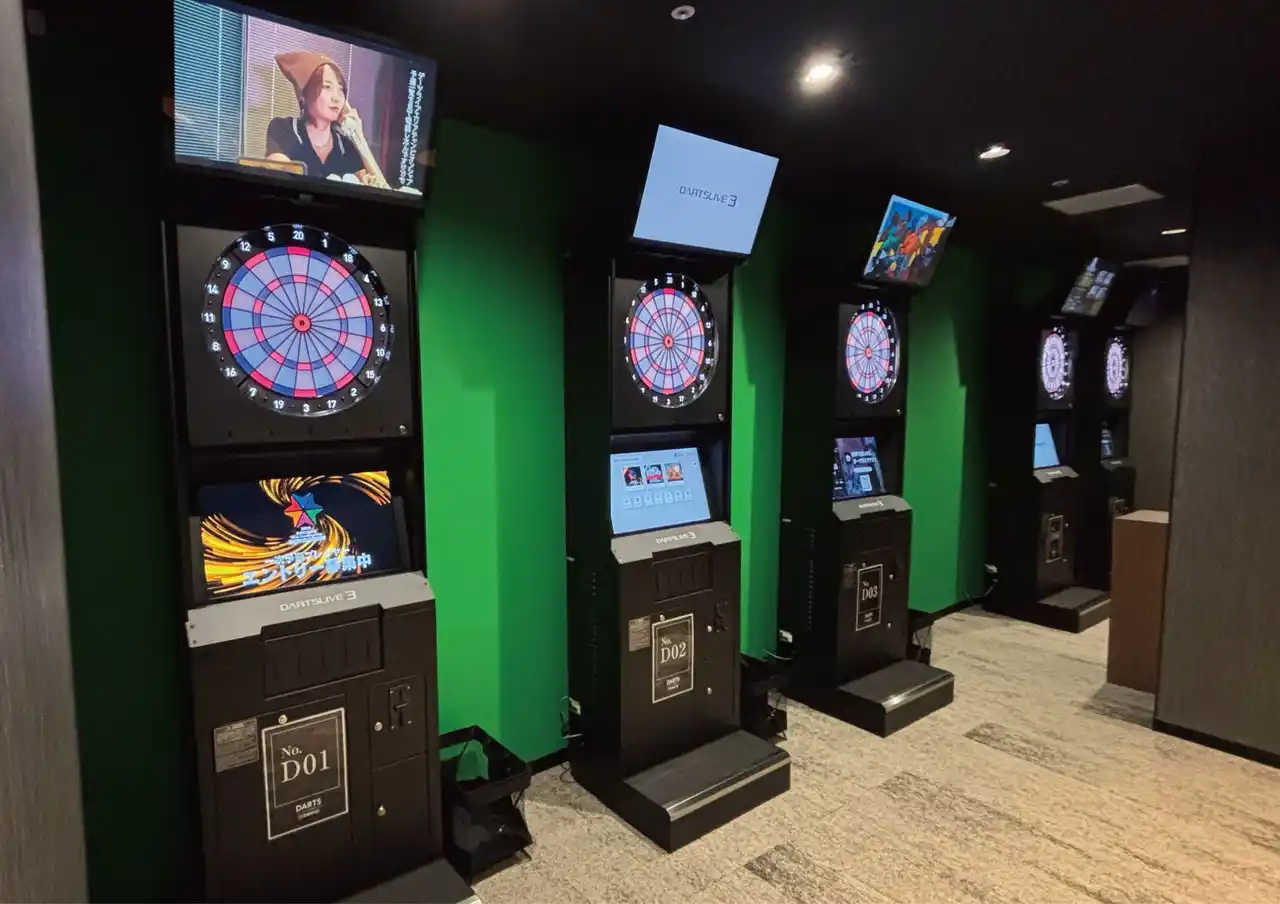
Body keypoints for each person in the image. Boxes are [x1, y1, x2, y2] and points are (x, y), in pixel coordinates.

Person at [265, 50, 389, 188]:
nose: (336, 98)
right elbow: (279, 171)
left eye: (340, 89)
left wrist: (358, 137)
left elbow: (384, 190)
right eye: (327, 87)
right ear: (303, 95)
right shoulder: (284, 128)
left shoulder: (345, 146)